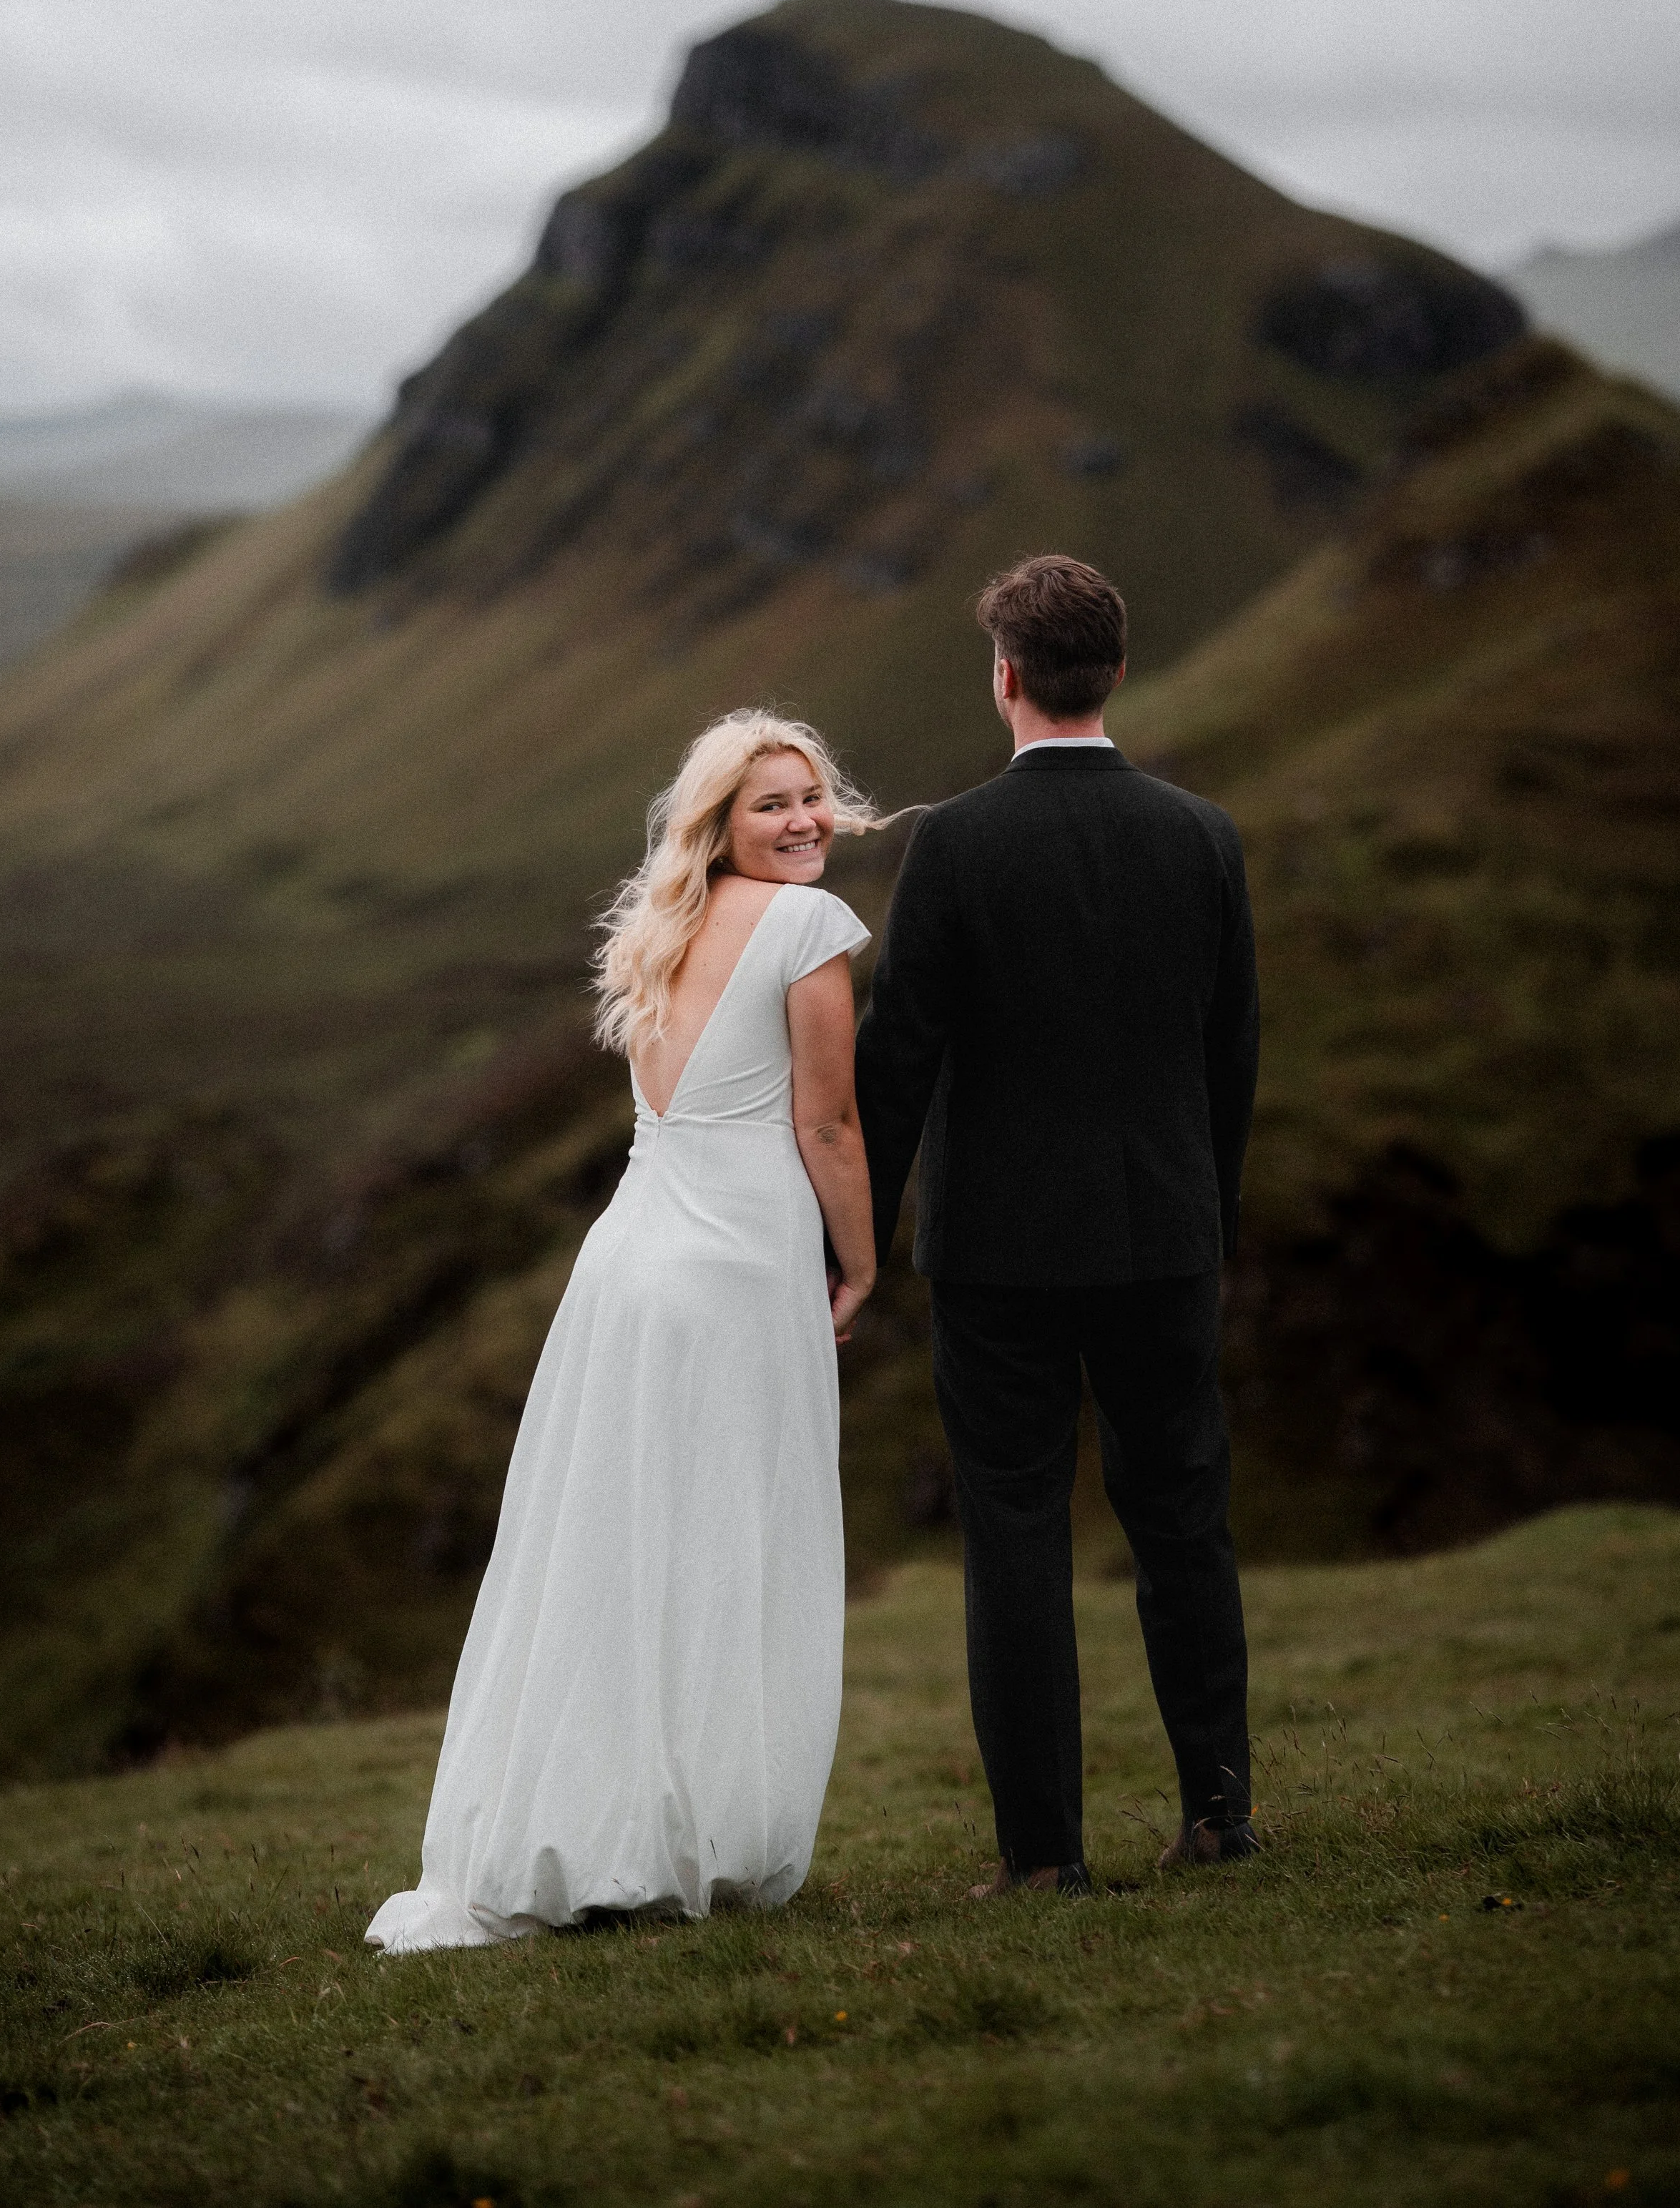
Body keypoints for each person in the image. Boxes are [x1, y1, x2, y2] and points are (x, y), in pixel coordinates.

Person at [367, 712, 878, 1950]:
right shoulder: (807, 926)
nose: (804, 819)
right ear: (720, 823)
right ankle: (679, 1831)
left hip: (630, 1266)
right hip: (740, 1269)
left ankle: (600, 1825)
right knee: (724, 1549)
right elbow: (827, 1125)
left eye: (811, 796)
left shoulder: (663, 930)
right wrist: (861, 1259)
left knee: (615, 1555)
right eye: (772, 804)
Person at [855, 554, 1260, 1894]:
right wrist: (1212, 1218)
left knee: (1017, 1532)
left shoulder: (958, 842)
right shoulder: (1202, 834)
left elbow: (899, 1057)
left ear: (1006, 677)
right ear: (1119, 674)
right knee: (1184, 1519)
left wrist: (845, 1243)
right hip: (1165, 1235)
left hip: (1000, 1252)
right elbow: (1230, 1055)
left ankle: (1042, 1860)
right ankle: (1217, 1818)